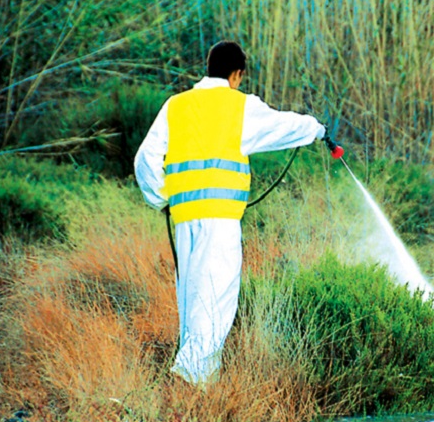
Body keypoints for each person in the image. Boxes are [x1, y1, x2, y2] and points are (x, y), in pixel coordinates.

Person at [134, 41, 327, 385]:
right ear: (237, 74)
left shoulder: (175, 106)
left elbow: (145, 160)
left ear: (208, 67)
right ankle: (187, 379)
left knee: (193, 300)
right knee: (216, 302)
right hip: (220, 221)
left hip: (184, 220)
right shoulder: (240, 106)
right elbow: (284, 126)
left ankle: (200, 391)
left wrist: (161, 198)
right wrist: (316, 129)